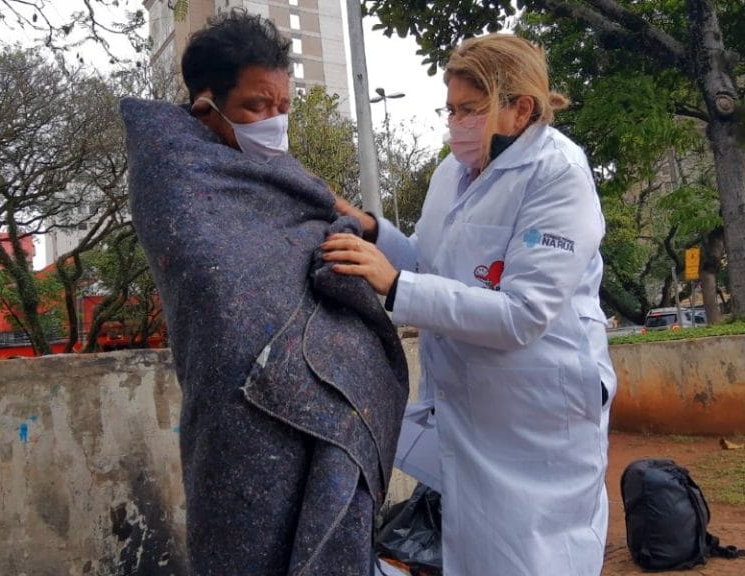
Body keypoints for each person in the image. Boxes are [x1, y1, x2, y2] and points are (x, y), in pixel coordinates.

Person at [120, 9, 408, 575]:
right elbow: (219, 283)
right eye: (256, 106)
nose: (274, 120)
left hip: (319, 403)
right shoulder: (172, 171)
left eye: (283, 106)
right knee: (243, 544)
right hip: (234, 406)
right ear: (207, 103)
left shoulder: (277, 169)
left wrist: (344, 236)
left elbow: (317, 227)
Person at [323, 34, 617, 575]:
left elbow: (523, 313)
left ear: (520, 108)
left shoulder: (559, 176)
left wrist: (396, 288)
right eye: (451, 109)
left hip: (539, 408)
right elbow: (429, 261)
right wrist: (373, 232)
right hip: (472, 400)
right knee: (478, 550)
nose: (455, 122)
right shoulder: (449, 175)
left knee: (538, 554)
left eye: (470, 110)